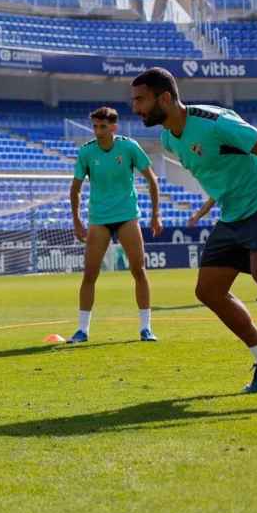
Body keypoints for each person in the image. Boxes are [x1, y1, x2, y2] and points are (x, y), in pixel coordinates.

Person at [132, 67, 257, 392]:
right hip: (233, 213)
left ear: (166, 98)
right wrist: (209, 207)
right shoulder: (168, 139)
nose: (135, 107)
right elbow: (219, 171)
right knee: (209, 291)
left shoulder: (216, 123)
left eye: (141, 99)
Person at [68, 106, 163, 344]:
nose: (98, 131)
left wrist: (155, 215)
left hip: (127, 215)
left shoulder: (129, 146)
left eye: (102, 127)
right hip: (98, 218)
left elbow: (152, 180)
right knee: (89, 274)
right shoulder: (86, 152)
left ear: (113, 127)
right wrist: (77, 221)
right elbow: (75, 189)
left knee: (138, 270)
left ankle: (145, 328)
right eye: (95, 127)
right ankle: (82, 330)